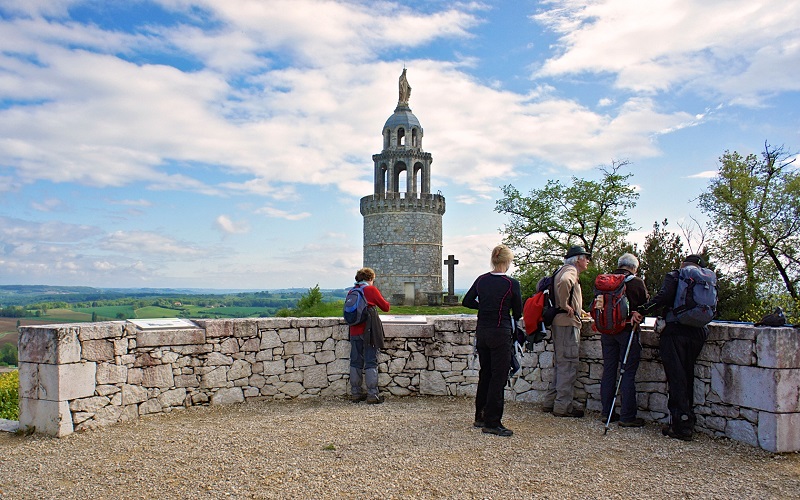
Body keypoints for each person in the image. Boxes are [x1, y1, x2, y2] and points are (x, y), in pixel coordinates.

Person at [639, 254, 708, 441]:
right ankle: (688, 420)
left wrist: (643, 309)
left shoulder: (677, 275)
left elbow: (663, 297)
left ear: (683, 264)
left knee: (676, 377)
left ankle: (680, 425)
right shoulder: (706, 279)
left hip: (675, 330)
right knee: (688, 375)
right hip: (699, 331)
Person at [462, 244, 522, 437]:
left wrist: (484, 306)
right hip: (500, 331)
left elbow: (467, 301)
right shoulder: (511, 284)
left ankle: (480, 415)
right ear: (507, 261)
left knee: (485, 373)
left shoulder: (481, 280)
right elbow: (518, 311)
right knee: (498, 377)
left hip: (483, 331)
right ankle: (492, 421)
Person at [599, 253, 649, 427]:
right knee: (627, 372)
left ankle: (607, 412)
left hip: (607, 330)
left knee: (609, 370)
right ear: (634, 267)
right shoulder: (635, 282)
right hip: (627, 329)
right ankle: (627, 416)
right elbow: (645, 305)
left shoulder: (606, 281)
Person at [542, 245, 591, 418]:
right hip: (567, 323)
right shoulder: (570, 271)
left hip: (559, 322)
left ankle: (550, 402)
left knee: (561, 364)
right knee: (568, 364)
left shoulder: (561, 269)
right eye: (585, 257)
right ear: (577, 259)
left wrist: (578, 309)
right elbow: (564, 282)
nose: (587, 261)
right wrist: (565, 305)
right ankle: (563, 407)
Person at [349, 267, 391, 404]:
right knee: (371, 361)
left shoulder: (352, 291)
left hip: (354, 331)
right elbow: (386, 307)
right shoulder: (370, 290)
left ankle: (355, 393)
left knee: (355, 361)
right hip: (369, 331)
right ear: (370, 278)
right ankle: (372, 395)